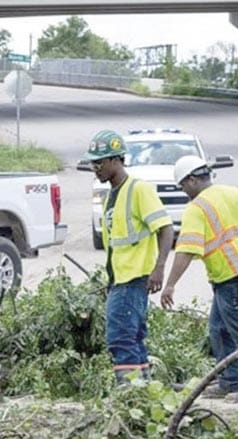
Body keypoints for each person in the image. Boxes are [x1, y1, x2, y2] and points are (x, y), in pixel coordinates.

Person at [161, 155, 238, 399]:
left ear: (191, 180)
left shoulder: (197, 207)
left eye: (182, 186)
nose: (183, 192)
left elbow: (187, 249)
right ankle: (230, 381)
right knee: (219, 330)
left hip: (232, 274)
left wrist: (169, 285)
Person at [84, 130, 174, 383]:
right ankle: (143, 392)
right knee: (132, 338)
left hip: (133, 279)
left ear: (116, 160)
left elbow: (165, 228)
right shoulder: (111, 196)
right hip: (120, 281)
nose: (95, 168)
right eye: (92, 163)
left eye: (99, 162)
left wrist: (159, 268)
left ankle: (130, 394)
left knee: (120, 339)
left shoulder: (138, 190)